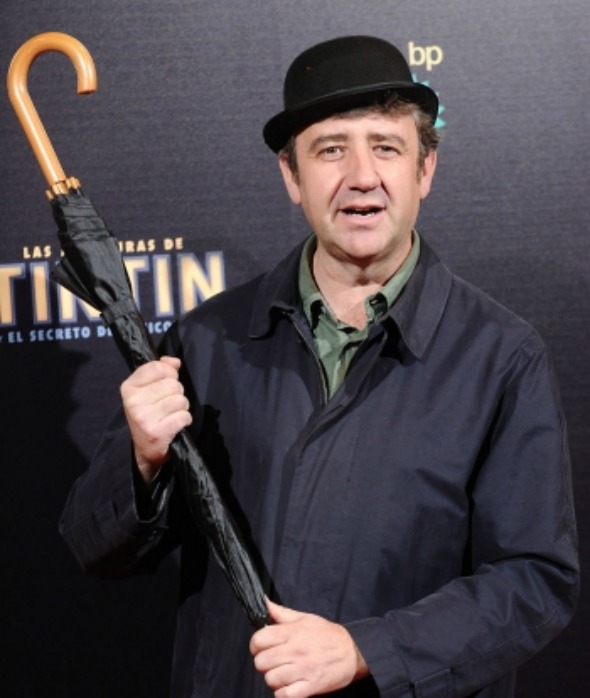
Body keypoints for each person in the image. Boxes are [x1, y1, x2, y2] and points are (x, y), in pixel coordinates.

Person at [59, 35, 579, 698]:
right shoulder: (208, 340)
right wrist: (141, 462)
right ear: (292, 176)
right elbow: (95, 548)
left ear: (424, 170)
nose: (361, 175)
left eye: (385, 147)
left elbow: (533, 583)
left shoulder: (502, 356)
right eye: (331, 149)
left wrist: (366, 650)